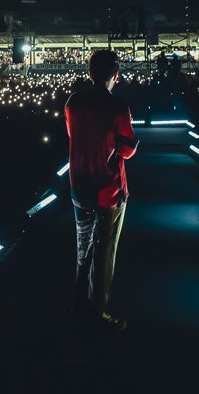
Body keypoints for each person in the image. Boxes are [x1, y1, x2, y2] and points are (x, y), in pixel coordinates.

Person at [65, 49, 139, 331]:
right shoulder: (117, 106)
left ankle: (78, 303)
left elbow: (75, 136)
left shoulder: (73, 103)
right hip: (108, 190)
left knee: (82, 249)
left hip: (78, 187)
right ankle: (100, 312)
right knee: (104, 253)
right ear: (116, 76)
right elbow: (127, 149)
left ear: (89, 73)